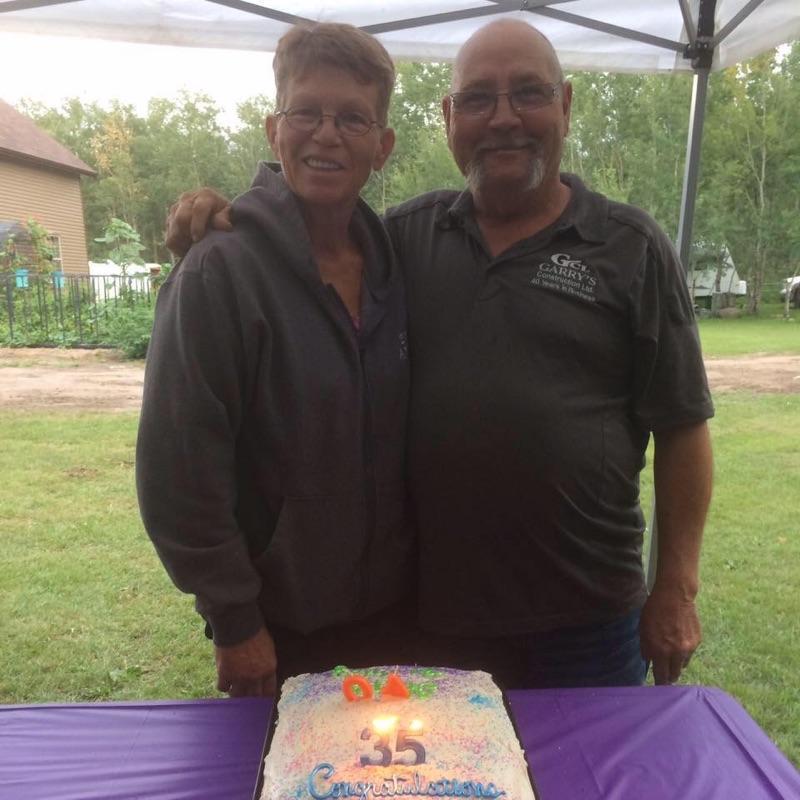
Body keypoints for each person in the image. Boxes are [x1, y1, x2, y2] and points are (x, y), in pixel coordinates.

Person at [165, 19, 714, 689]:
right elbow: (313, 225)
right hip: (435, 620)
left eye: (529, 94)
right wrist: (222, 210)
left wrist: (677, 587)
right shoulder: (404, 240)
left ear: (565, 106)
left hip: (588, 620)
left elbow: (683, 424)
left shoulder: (630, 246)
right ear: (451, 118)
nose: (503, 118)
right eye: (478, 99)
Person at [136, 22, 416, 698]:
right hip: (276, 630)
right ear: (273, 129)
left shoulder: (397, 266)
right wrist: (234, 621)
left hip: (398, 619)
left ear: (382, 147)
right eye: (307, 113)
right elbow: (179, 470)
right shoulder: (220, 272)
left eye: (353, 118)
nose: (326, 134)